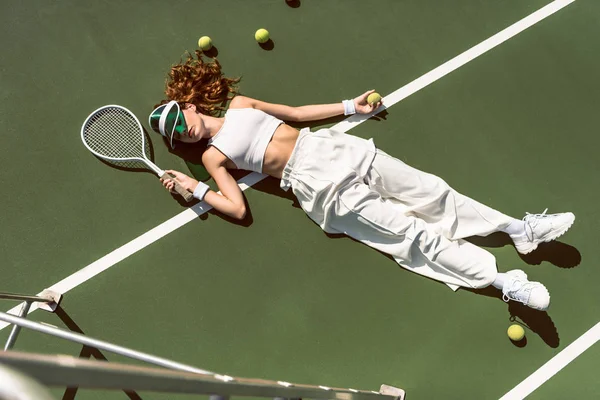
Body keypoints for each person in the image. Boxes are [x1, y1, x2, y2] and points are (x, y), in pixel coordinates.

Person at [150, 51, 575, 311]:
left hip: (334, 148)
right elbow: (237, 207)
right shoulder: (211, 157)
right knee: (411, 237)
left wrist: (348, 106)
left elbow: (295, 114)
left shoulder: (242, 104)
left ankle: (520, 230)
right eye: (175, 134)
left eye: (177, 119)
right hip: (316, 185)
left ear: (188, 106)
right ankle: (506, 283)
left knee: (433, 193)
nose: (182, 130)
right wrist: (194, 188)